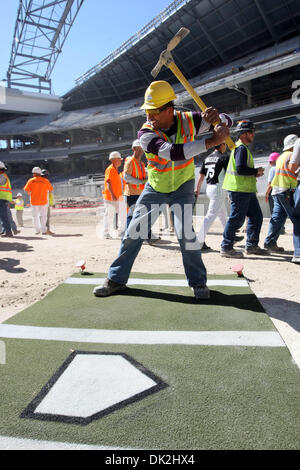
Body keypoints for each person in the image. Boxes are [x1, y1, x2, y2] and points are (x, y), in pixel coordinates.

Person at [93, 80, 231, 300]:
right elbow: (173, 152)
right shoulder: (145, 134)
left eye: (154, 112)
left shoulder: (190, 120)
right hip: (155, 187)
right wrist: (212, 141)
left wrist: (219, 119)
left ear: (169, 110)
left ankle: (198, 283)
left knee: (186, 235)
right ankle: (116, 279)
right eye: (147, 112)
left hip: (183, 185)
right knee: (133, 232)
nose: (149, 117)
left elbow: (226, 120)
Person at [221, 120, 265, 258]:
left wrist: (253, 173)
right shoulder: (241, 149)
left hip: (246, 190)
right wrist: (255, 171)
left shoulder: (241, 148)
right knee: (236, 219)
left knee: (256, 216)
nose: (253, 134)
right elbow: (240, 169)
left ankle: (251, 245)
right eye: (251, 131)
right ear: (244, 133)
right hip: (240, 190)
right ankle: (226, 247)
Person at [195, 142, 243, 252]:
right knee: (210, 216)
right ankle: (198, 242)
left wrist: (197, 189)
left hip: (209, 188)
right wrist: (231, 191)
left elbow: (201, 176)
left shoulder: (207, 158)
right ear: (221, 145)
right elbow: (229, 175)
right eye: (224, 144)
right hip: (218, 189)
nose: (225, 146)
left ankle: (231, 236)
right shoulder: (224, 157)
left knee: (222, 214)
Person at [264, 134, 300, 263]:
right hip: (287, 191)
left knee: (278, 218)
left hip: (278, 191)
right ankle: (298, 252)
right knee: (297, 220)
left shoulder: (281, 157)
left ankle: (270, 243)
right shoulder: (292, 156)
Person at [102, 151, 126, 239]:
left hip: (118, 196)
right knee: (109, 215)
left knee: (122, 214)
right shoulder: (110, 169)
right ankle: (106, 233)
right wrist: (113, 195)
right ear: (114, 160)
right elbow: (108, 182)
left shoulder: (115, 170)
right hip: (111, 197)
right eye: (119, 159)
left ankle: (121, 231)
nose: (120, 161)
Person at [24, 166, 54, 235]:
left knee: (35, 216)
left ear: (34, 173)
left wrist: (32, 193)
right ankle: (44, 231)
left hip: (34, 202)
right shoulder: (45, 181)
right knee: (44, 216)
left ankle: (37, 230)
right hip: (44, 201)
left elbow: (27, 191)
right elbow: (50, 189)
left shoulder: (31, 180)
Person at [265, 152, 286, 239]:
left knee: (275, 214)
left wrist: (266, 194)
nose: (270, 163)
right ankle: (282, 228)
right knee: (283, 213)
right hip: (285, 192)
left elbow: (270, 184)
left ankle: (272, 235)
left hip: (275, 193)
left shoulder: (272, 169)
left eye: (271, 161)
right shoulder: (283, 167)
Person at [0, 161, 14, 238]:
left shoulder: (2, 176)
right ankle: (5, 230)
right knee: (2, 216)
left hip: (2, 199)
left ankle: (8, 232)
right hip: (2, 198)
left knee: (3, 216)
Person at [41, 169, 55, 235]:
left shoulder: (37, 181)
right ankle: (47, 230)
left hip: (38, 202)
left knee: (41, 216)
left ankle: (43, 230)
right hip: (45, 202)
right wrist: (51, 203)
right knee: (46, 217)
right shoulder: (46, 182)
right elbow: (50, 192)